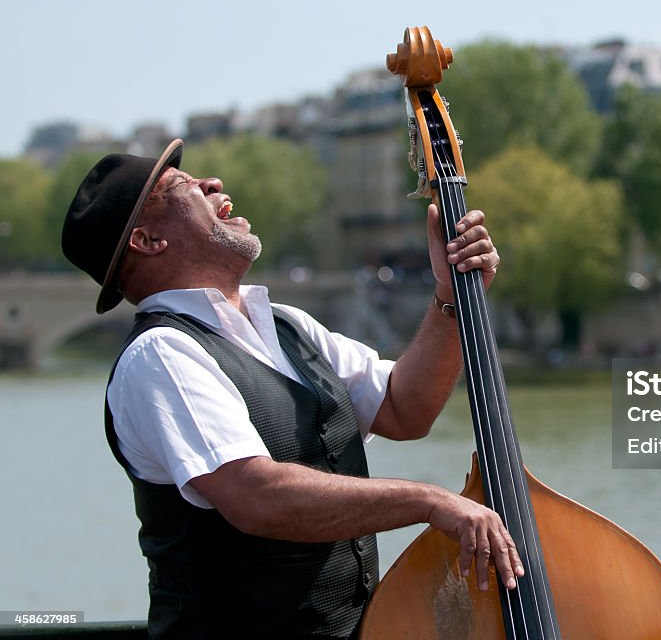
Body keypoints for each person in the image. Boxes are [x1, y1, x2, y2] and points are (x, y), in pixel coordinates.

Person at [61, 138, 524, 639]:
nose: (211, 182)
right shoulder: (160, 357)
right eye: (183, 186)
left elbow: (402, 408)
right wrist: (429, 501)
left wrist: (449, 297)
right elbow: (256, 495)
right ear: (148, 241)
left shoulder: (287, 326)